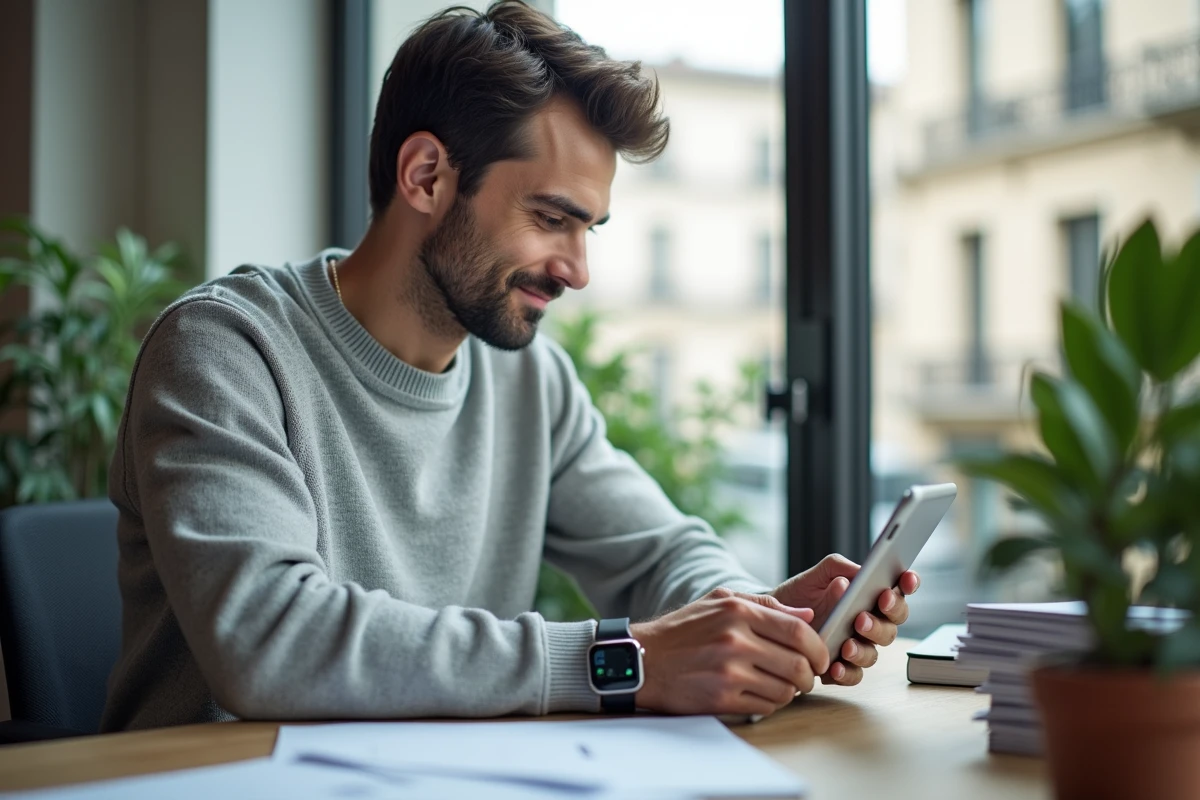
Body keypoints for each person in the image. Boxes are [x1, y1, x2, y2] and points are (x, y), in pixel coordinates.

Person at [101, 0, 918, 731]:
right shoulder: (224, 350)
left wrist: (751, 617)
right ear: (426, 176)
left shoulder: (529, 380)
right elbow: (270, 639)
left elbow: (658, 552)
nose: (576, 269)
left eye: (588, 228)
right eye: (550, 218)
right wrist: (623, 661)